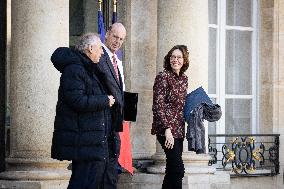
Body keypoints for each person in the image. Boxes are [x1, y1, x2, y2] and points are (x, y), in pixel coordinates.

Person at [50, 33, 120, 189]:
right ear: (90, 48)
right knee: (83, 183)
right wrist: (105, 100)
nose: (102, 53)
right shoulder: (75, 70)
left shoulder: (88, 68)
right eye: (100, 49)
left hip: (92, 141)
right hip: (84, 143)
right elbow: (77, 100)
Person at [151, 45, 189, 189]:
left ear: (184, 61)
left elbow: (182, 105)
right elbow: (158, 105)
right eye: (173, 57)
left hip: (179, 129)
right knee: (178, 169)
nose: (175, 60)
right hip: (165, 129)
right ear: (169, 59)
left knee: (173, 169)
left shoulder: (184, 79)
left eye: (179, 57)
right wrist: (167, 129)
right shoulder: (163, 77)